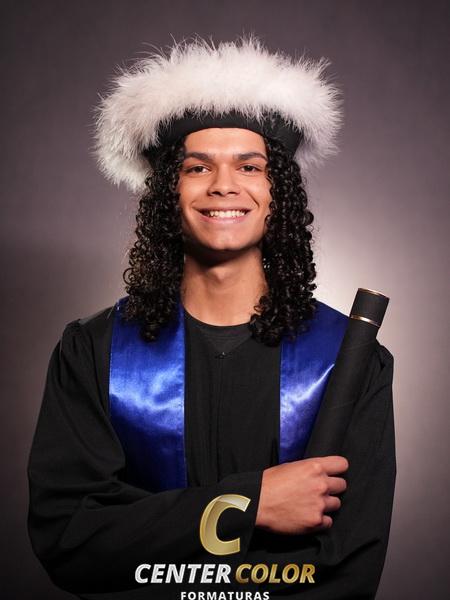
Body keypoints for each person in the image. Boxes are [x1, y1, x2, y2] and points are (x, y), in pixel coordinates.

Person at [27, 35, 396, 599]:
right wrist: (249, 505)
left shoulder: (346, 359)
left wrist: (155, 538)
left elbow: (348, 569)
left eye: (250, 166)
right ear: (167, 192)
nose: (224, 185)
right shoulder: (94, 351)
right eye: (198, 167)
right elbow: (70, 541)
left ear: (278, 192)